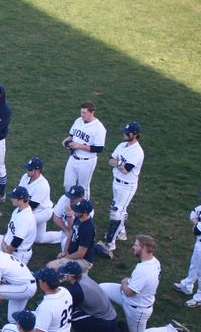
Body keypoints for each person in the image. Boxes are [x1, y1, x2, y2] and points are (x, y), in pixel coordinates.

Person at [100, 235, 191, 332]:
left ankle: (173, 329)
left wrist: (124, 282)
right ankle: (102, 317)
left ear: (143, 248)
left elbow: (129, 292)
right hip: (131, 298)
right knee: (100, 289)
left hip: (137, 309)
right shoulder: (154, 261)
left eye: (136, 245)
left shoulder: (144, 270)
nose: (133, 247)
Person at [94, 122, 145, 259]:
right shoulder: (121, 145)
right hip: (116, 182)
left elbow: (126, 169)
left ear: (134, 135)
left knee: (117, 212)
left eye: (127, 132)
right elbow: (110, 160)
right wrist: (119, 164)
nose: (124, 134)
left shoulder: (137, 152)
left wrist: (118, 164)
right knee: (119, 208)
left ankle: (110, 243)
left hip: (127, 185)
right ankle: (121, 231)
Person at [61, 101, 106, 198]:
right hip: (73, 158)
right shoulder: (78, 121)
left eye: (84, 113)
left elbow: (99, 148)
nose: (82, 115)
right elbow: (71, 135)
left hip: (87, 162)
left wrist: (80, 146)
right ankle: (70, 208)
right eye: (81, 112)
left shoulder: (99, 128)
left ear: (92, 112)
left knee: (83, 188)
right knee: (67, 185)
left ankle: (85, 211)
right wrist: (66, 142)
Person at [46, 199, 96, 272]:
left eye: (77, 210)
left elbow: (80, 254)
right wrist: (64, 252)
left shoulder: (88, 229)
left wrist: (66, 258)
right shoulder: (79, 218)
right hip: (74, 254)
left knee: (51, 266)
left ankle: (72, 275)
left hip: (84, 261)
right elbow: (71, 233)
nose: (74, 211)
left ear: (85, 213)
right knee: (56, 263)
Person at [18, 157, 58, 245]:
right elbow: (19, 193)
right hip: (33, 208)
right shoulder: (25, 177)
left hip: (43, 212)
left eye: (30, 169)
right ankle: (63, 235)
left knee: (23, 219)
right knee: (40, 239)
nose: (27, 170)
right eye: (27, 168)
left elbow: (30, 206)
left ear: (37, 171)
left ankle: (18, 239)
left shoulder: (43, 185)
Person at [0, 185, 36, 266]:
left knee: (1, 272)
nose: (11, 199)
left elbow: (17, 241)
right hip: (7, 244)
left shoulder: (25, 218)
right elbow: (10, 230)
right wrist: (4, 241)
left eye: (13, 197)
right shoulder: (18, 210)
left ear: (21, 200)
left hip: (17, 254)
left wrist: (6, 251)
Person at [42, 185, 86, 251]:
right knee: (40, 239)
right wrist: (66, 231)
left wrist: (69, 214)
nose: (70, 200)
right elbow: (56, 218)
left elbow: (74, 229)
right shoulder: (65, 198)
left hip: (78, 235)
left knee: (66, 245)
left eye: (74, 198)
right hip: (66, 229)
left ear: (82, 197)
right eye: (70, 197)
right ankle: (62, 235)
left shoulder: (86, 210)